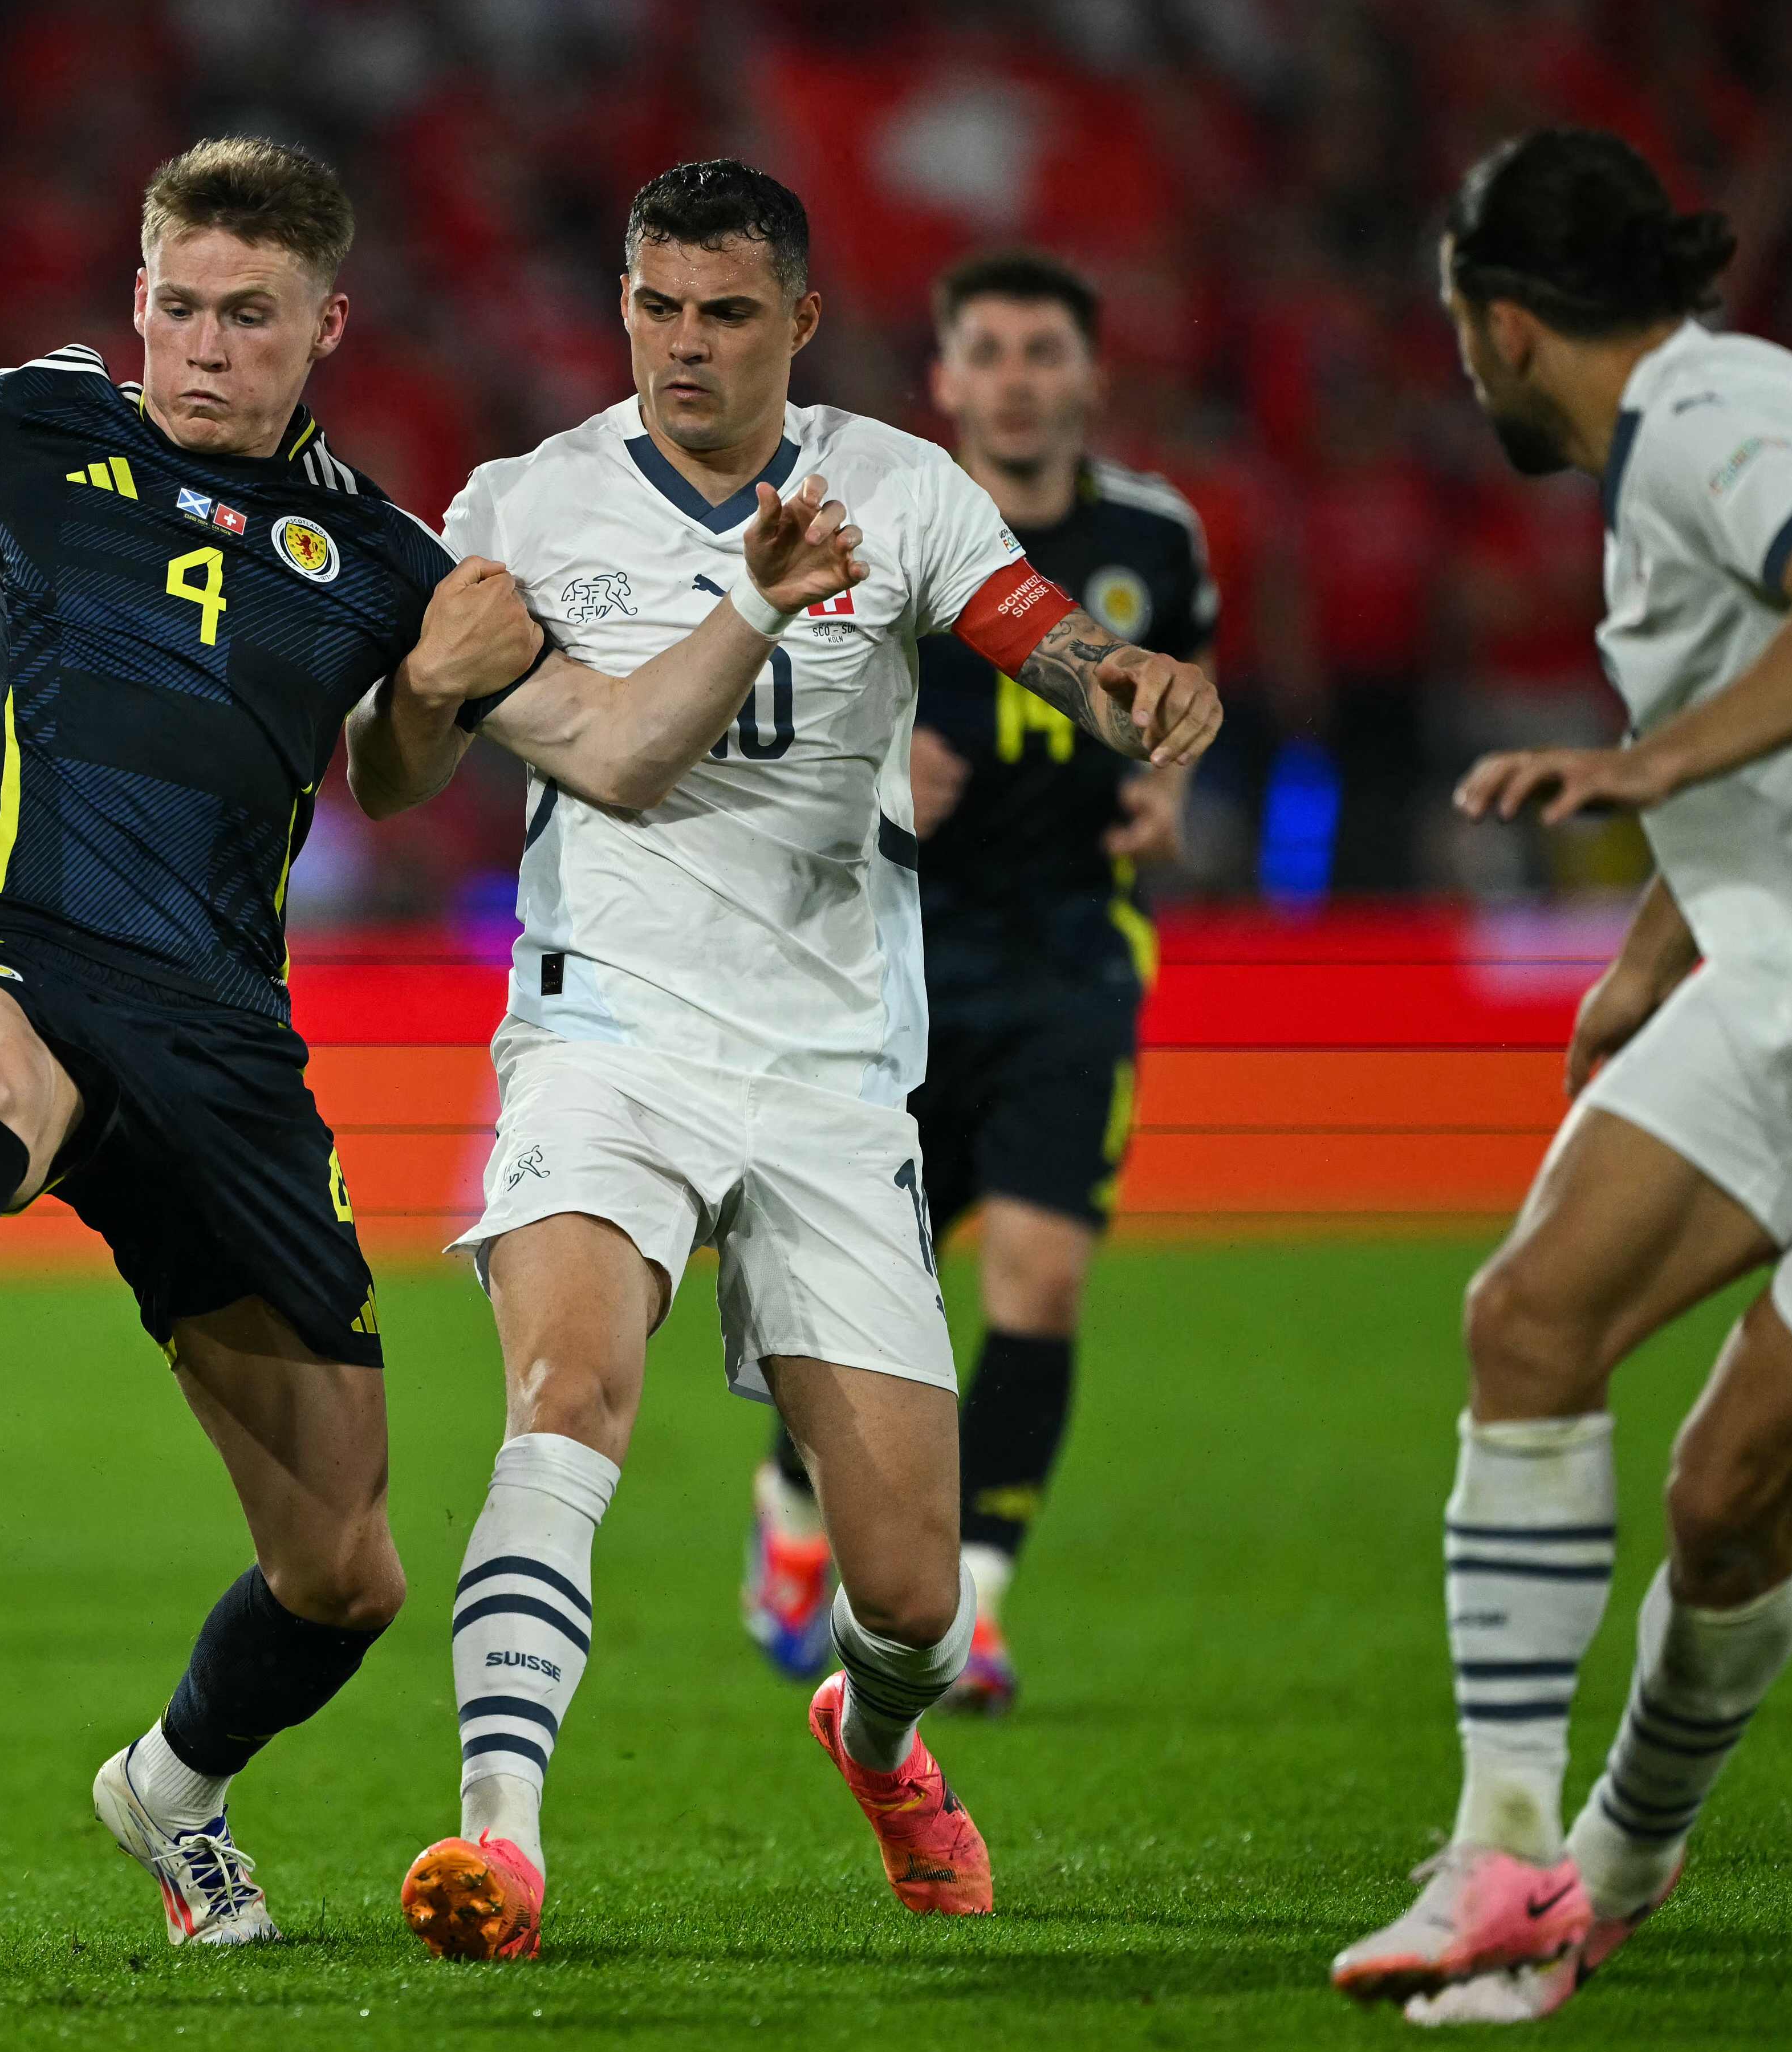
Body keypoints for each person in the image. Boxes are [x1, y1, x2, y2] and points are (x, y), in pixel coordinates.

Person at [0, 138, 770, 1944]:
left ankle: (169, 1788)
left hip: (222, 1042)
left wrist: (487, 670)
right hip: (11, 949)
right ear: (133, 297)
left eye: (248, 318)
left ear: (325, 328)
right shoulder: (39, 428)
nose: (204, 350)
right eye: (177, 307)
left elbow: (566, 758)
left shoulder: (384, 556)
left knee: (346, 1569)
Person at [345, 161, 1220, 1960]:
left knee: (907, 1592)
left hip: (830, 1066)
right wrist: (423, 692)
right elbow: (424, 769)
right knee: (565, 1396)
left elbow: (1031, 632)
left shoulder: (896, 484)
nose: (685, 344)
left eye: (727, 313)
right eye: (657, 307)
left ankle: (878, 1735)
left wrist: (1123, 680)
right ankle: (496, 1839)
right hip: (607, 1029)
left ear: (801, 325)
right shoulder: (523, 501)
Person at [1335, 129, 1792, 2027]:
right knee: (1531, 1314)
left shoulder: (1723, 416)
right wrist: (1648, 958)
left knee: (1732, 1497)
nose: (1465, 374)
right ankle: (1500, 1857)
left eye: (1462, 338)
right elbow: (1771, 761)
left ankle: (1620, 1864)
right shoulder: (1665, 465)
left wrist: (1643, 770)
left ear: (1503, 323)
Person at [742, 251, 1218, 1716]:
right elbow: (788, 719)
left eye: (1040, 352)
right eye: (987, 353)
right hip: (891, 958)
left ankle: (981, 1603)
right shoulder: (881, 523)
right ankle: (791, 1513)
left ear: (1086, 376)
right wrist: (881, 772)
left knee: (1039, 1281)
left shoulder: (1155, 537)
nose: (1014, 377)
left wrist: (1168, 794)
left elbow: (1174, 702)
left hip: (1072, 948)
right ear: (944, 381)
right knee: (873, 1295)